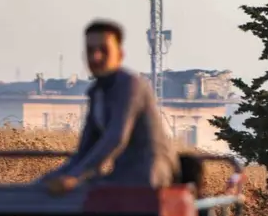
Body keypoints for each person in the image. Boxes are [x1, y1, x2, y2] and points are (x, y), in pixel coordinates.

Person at [40, 20, 180, 195]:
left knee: (77, 196)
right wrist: (47, 180)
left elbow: (116, 137)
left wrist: (75, 177)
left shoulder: (130, 85)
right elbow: (85, 150)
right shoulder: (96, 92)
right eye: (90, 51)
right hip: (121, 174)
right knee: (45, 190)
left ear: (120, 54)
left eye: (104, 51)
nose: (95, 57)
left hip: (148, 176)